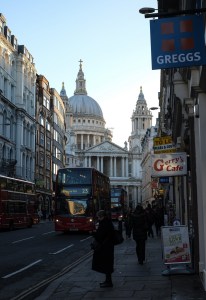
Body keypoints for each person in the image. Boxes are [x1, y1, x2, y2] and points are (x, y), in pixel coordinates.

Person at [91, 210, 115, 287]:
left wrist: (93, 233)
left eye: (98, 217)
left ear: (102, 216)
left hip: (105, 247)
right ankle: (108, 281)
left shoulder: (104, 223)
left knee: (106, 264)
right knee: (107, 264)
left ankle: (108, 282)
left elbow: (100, 235)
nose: (98, 218)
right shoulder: (108, 222)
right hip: (108, 246)